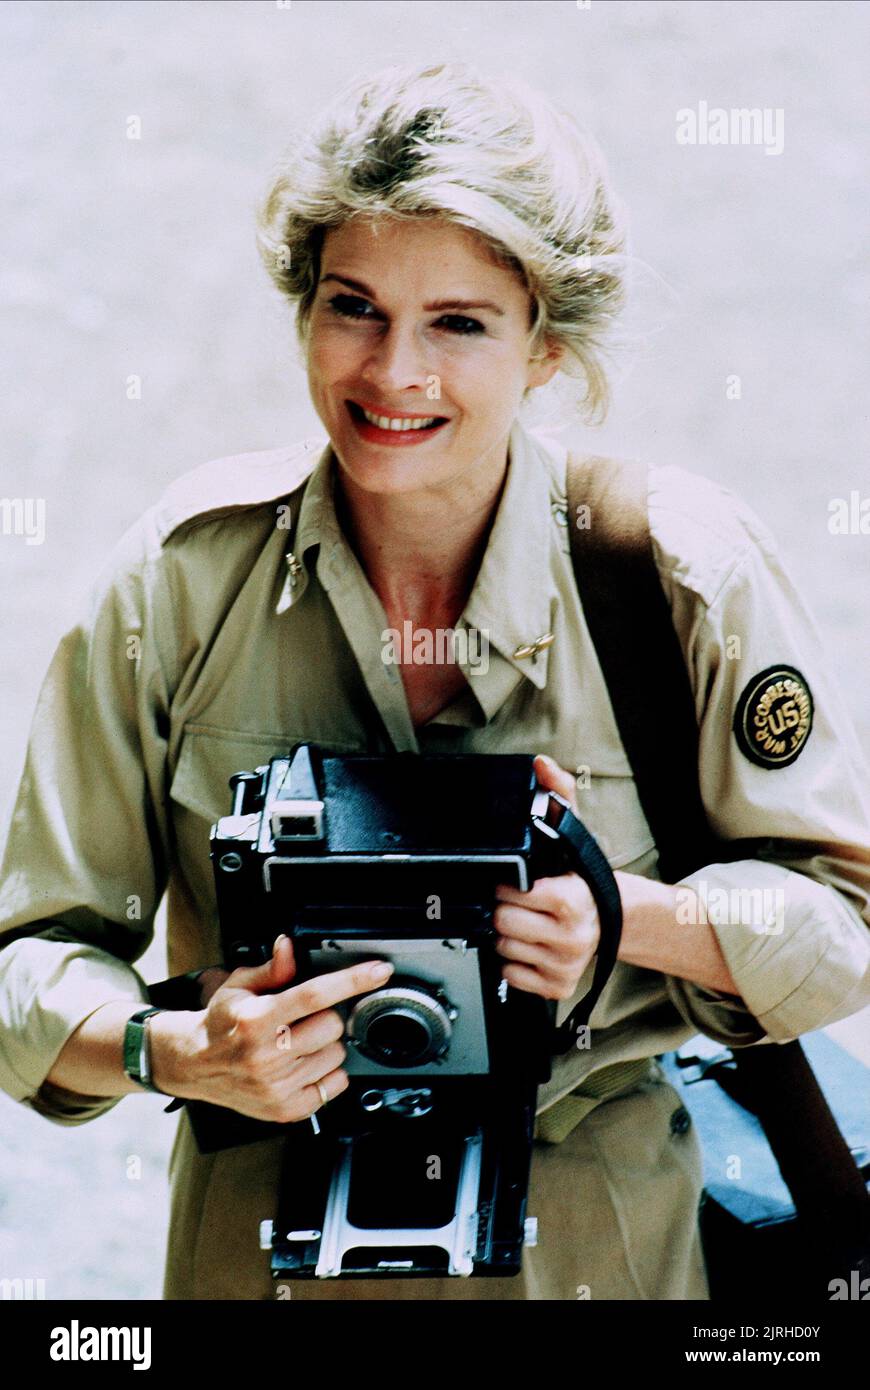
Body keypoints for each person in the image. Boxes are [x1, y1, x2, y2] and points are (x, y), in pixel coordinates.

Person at [1, 61, 868, 1303]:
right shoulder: (180, 585)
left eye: (459, 321)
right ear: (304, 309)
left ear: (549, 344)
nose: (394, 372)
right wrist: (178, 1047)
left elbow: (840, 932)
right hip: (259, 1254)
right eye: (353, 305)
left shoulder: (674, 574)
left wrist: (618, 915)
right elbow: (26, 963)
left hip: (594, 1255)